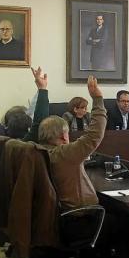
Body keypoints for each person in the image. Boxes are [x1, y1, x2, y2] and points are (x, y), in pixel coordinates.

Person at [38, 76, 106, 208]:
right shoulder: (64, 154)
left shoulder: (39, 151)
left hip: (60, 210)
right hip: (82, 212)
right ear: (64, 136)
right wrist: (97, 99)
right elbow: (94, 135)